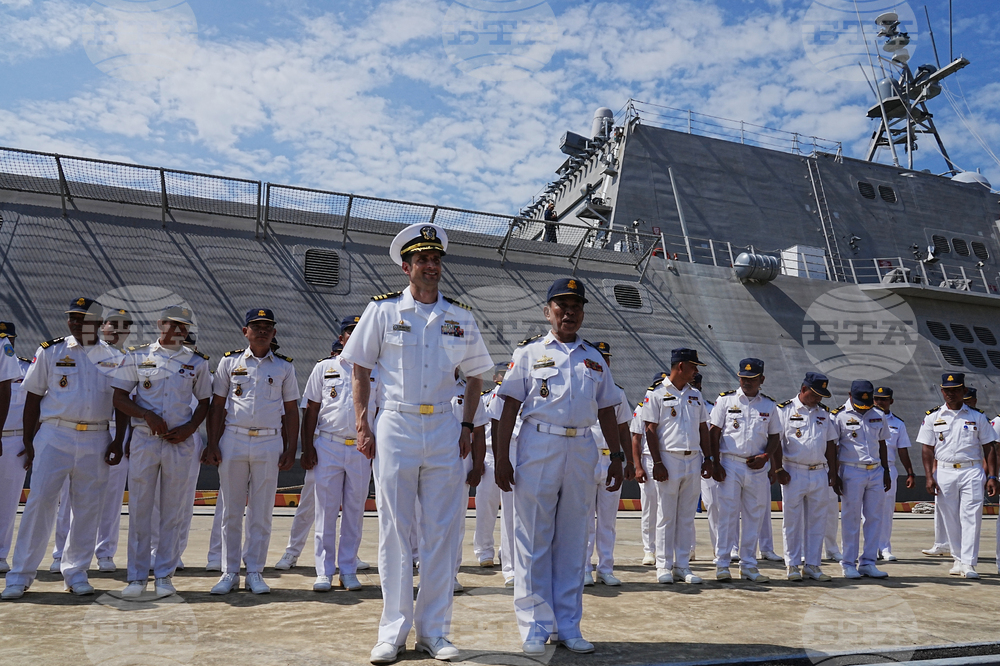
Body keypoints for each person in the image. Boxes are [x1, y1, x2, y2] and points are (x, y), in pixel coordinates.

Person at [341, 223, 492, 664]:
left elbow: (477, 374)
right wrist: (362, 424)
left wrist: (467, 425)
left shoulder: (460, 317)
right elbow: (360, 368)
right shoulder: (383, 311)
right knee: (394, 529)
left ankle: (434, 631)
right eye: (422, 259)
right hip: (396, 423)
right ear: (406, 267)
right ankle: (392, 633)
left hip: (444, 425)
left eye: (436, 259)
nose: (431, 265)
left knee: (442, 533)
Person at [494, 277, 624, 656]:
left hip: (582, 447)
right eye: (561, 306)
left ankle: (568, 625)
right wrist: (501, 457)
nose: (569, 313)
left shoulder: (593, 358)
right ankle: (535, 627)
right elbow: (508, 406)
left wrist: (617, 457)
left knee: (573, 540)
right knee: (533, 539)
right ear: (547, 311)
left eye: (576, 307)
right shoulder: (529, 353)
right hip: (539, 443)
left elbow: (607, 410)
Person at [2, 297, 125, 600]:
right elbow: (33, 396)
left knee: (87, 508)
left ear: (98, 323)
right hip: (55, 434)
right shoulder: (51, 351)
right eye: (72, 318)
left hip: (97, 436)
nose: (75, 323)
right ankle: (20, 576)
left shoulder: (115, 357)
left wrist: (119, 440)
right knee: (39, 504)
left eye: (83, 319)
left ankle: (76, 572)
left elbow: (121, 402)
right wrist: (29, 440)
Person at [112, 306, 211, 598]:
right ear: (160, 324)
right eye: (172, 324)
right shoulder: (138, 356)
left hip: (179, 443)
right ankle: (137, 577)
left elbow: (205, 401)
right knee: (140, 509)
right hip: (145, 440)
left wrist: (191, 427)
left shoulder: (196, 362)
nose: (178, 330)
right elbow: (119, 397)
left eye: (183, 326)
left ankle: (165, 575)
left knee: (173, 511)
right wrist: (145, 415)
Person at [203, 308, 299, 595]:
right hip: (234, 438)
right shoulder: (229, 362)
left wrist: (291, 448)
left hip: (269, 441)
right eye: (256, 326)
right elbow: (217, 406)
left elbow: (291, 411)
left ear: (274, 332)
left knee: (262, 511)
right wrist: (212, 443)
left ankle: (255, 571)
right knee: (231, 511)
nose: (262, 331)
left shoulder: (284, 367)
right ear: (245, 332)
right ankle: (229, 572)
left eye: (267, 327)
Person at [50, 309, 133, 573]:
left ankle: (105, 552)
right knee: (68, 499)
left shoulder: (127, 359)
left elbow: (130, 402)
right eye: (113, 324)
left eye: (124, 326)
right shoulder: (71, 351)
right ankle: (60, 552)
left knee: (111, 499)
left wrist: (125, 439)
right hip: (74, 430)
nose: (117, 330)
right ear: (102, 326)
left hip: (113, 432)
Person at [299, 316, 377, 592]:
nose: (354, 336)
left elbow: (382, 410)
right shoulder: (324, 367)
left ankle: (348, 569)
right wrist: (307, 447)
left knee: (355, 512)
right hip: (328, 445)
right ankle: (324, 572)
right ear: (342, 338)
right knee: (326, 511)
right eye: (349, 332)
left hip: (360, 448)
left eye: (359, 331)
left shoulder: (378, 370)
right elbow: (311, 409)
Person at [641, 349, 712, 585]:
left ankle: (682, 566)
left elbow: (703, 428)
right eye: (693, 366)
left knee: (686, 516)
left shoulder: (695, 395)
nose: (696, 371)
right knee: (666, 515)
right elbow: (650, 429)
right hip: (668, 458)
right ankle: (663, 565)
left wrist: (709, 458)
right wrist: (657, 462)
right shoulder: (656, 393)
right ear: (680, 366)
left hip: (693, 459)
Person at [917, 374, 997, 579]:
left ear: (963, 391)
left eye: (955, 390)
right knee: (950, 517)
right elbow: (927, 448)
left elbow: (989, 447)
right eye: (947, 390)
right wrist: (929, 476)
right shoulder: (933, 416)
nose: (950, 394)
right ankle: (958, 559)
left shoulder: (977, 417)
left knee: (972, 517)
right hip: (944, 471)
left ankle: (969, 563)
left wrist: (992, 476)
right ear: (942, 391)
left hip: (971, 470)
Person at [709, 358, 780, 583]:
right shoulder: (726, 400)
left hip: (757, 466)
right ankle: (722, 564)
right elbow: (714, 433)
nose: (746, 382)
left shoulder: (769, 405)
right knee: (727, 515)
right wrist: (715, 463)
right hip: (730, 463)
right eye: (743, 378)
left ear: (762, 379)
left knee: (754, 516)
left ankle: (749, 565)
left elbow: (775, 436)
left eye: (752, 379)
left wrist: (766, 457)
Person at [773, 372, 835, 582]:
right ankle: (792, 564)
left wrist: (833, 473)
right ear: (803, 389)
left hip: (819, 471)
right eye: (815, 394)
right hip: (793, 471)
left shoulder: (823, 413)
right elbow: (776, 442)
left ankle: (813, 565)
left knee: (817, 521)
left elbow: (831, 444)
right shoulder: (784, 411)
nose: (818, 399)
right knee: (792, 521)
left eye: (821, 396)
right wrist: (778, 470)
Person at [830, 380, 890, 579]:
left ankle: (868, 562)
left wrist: (886, 470)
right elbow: (833, 447)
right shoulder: (838, 416)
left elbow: (882, 443)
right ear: (850, 395)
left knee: (874, 518)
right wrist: (835, 475)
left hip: (875, 470)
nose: (863, 408)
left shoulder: (878, 414)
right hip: (851, 470)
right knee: (851, 518)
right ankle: (848, 563)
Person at [585, 342, 633, 586]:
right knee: (584, 520)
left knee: (607, 521)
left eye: (607, 359)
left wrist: (629, 460)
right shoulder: (582, 388)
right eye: (600, 358)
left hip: (610, 460)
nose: (604, 363)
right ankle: (584, 568)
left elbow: (623, 428)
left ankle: (605, 568)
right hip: (586, 458)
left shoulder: (617, 393)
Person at [448, 368, 488, 592]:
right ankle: (427, 572)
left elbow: (479, 431)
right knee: (423, 519)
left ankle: (451, 574)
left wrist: (477, 466)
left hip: (460, 461)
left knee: (456, 522)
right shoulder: (425, 386)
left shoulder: (468, 391)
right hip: (426, 459)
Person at [482, 364, 519, 587]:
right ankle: (509, 566)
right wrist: (500, 459)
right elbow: (495, 425)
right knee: (506, 510)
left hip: (536, 447)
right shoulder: (498, 394)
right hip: (507, 449)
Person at [872, 386, 915, 561]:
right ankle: (870, 548)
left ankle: (884, 547)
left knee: (886, 510)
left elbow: (902, 449)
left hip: (888, 469)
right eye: (877, 399)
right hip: (868, 468)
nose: (879, 402)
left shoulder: (898, 423)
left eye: (883, 399)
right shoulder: (866, 419)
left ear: (891, 401)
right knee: (867, 512)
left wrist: (910, 472)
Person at [473, 363, 509, 569]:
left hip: (512, 454)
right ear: (495, 377)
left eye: (508, 374)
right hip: (488, 455)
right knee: (486, 507)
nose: (505, 377)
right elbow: (476, 429)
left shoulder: (520, 399)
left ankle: (508, 553)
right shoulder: (484, 398)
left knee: (512, 510)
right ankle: (484, 551)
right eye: (501, 374)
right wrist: (478, 460)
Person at [0, 322, 29, 574]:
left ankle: (0, 554)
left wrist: (32, 441)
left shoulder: (28, 369)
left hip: (15, 441)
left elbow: (38, 407)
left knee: (8, 502)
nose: (6, 344)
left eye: (9, 339)